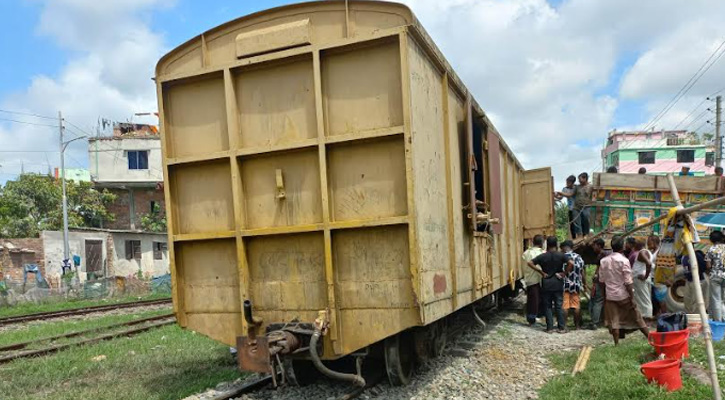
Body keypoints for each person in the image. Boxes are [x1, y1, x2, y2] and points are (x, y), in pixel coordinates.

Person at [599, 236, 650, 345]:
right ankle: (651, 338)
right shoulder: (624, 260)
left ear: (612, 247)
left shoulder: (603, 261)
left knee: (614, 320)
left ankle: (616, 344)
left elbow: (602, 281)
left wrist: (604, 296)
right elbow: (628, 282)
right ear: (622, 247)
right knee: (637, 317)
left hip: (610, 295)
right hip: (623, 295)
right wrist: (632, 297)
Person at [528, 236, 573, 333]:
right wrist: (564, 273)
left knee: (547, 305)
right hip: (558, 282)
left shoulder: (543, 256)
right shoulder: (561, 255)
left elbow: (530, 263)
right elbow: (571, 263)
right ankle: (561, 327)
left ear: (547, 244)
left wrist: (541, 272)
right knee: (558, 305)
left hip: (546, 283)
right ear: (556, 244)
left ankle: (549, 328)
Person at [561, 240, 586, 329]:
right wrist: (584, 283)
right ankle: (577, 326)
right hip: (576, 284)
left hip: (565, 284)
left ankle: (564, 326)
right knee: (576, 306)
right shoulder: (578, 257)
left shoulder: (563, 257)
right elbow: (582, 272)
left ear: (564, 247)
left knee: (565, 306)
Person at [559, 173, 593, 238]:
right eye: (578, 179)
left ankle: (586, 234)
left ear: (585, 178)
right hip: (576, 207)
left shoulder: (591, 187)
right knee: (576, 221)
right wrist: (561, 193)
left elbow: (594, 196)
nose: (579, 181)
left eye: (580, 179)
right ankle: (579, 235)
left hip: (586, 207)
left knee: (586, 219)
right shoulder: (577, 187)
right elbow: (571, 194)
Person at [522, 235, 546, 325]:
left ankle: (531, 318)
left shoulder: (526, 253)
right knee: (540, 299)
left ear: (533, 242)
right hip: (541, 279)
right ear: (542, 243)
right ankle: (537, 316)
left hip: (530, 279)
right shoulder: (543, 253)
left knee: (532, 300)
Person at [588, 238, 610, 329]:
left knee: (597, 301)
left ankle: (594, 322)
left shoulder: (601, 255)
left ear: (599, 246)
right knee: (599, 300)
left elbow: (599, 268)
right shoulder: (606, 254)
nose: (593, 247)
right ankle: (600, 320)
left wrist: (596, 275)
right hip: (605, 280)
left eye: (594, 245)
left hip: (600, 281)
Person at [631, 238, 654, 320]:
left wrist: (645, 277)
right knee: (644, 299)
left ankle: (646, 319)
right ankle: (644, 319)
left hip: (640, 279)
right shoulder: (647, 252)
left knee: (644, 300)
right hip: (643, 279)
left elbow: (649, 263)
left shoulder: (642, 252)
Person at [705, 230, 725, 321]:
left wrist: (710, 272)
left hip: (715, 276)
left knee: (716, 299)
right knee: (723, 299)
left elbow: (708, 265)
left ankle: (718, 320)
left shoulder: (711, 249)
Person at [682, 250, 709, 314]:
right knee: (687, 300)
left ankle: (696, 317)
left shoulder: (697, 255)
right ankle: (690, 315)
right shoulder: (684, 256)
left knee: (696, 301)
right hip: (689, 280)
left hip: (698, 280)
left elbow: (703, 267)